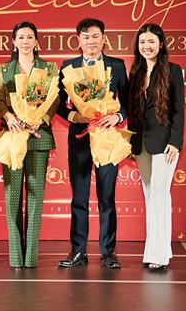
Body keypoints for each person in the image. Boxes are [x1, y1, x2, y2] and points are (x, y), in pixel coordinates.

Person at [56, 18, 129, 269]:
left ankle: (108, 252)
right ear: (78, 40)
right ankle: (78, 251)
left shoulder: (116, 66)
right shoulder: (68, 66)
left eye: (96, 36)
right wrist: (74, 116)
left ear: (103, 39)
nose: (91, 41)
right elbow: (57, 104)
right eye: (86, 37)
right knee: (79, 197)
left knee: (107, 197)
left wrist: (117, 116)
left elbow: (129, 102)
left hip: (107, 138)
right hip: (80, 138)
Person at [0, 22, 59, 268]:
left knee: (35, 196)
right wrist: (9, 117)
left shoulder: (49, 68)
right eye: (21, 37)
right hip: (12, 136)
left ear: (36, 41)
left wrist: (40, 119)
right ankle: (15, 256)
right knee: (12, 197)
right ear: (14, 42)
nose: (25, 41)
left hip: (38, 137)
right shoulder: (3, 69)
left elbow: (55, 99)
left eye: (30, 37)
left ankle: (30, 257)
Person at [127, 23, 185, 272]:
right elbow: (133, 111)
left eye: (151, 41)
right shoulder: (135, 72)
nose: (146, 46)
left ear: (161, 44)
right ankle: (157, 249)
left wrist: (175, 141)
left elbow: (179, 110)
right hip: (141, 142)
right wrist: (131, 142)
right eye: (142, 42)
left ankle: (159, 255)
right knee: (150, 194)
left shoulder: (173, 70)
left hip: (164, 143)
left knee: (160, 194)